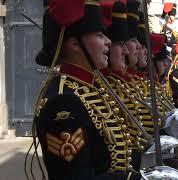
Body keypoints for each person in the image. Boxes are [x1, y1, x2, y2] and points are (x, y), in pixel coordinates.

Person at [33, 1, 143, 179]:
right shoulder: (63, 103)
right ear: (75, 44)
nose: (108, 41)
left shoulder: (92, 88)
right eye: (100, 35)